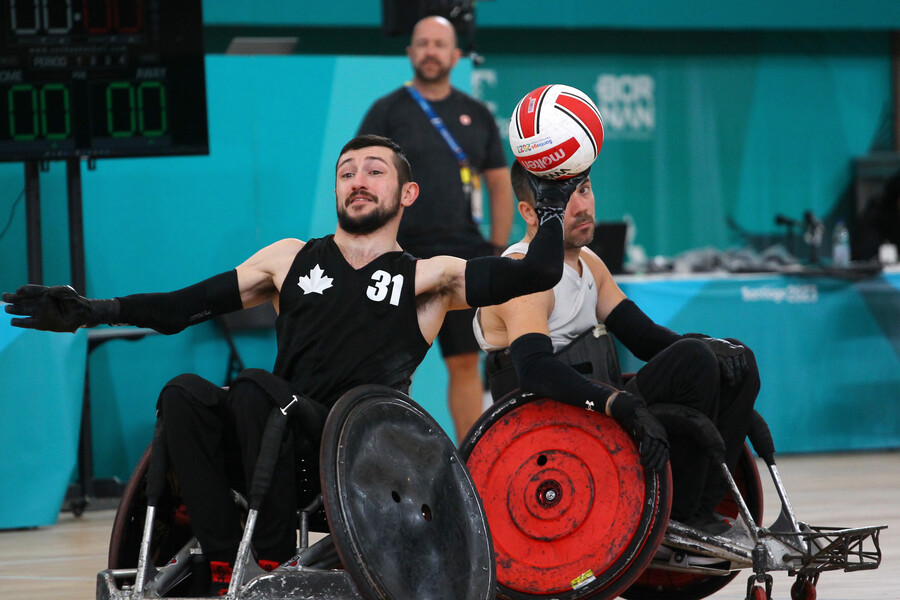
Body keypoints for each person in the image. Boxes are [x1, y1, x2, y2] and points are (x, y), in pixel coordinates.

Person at [4, 135, 581, 596]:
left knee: (257, 386)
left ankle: (275, 561)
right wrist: (91, 310)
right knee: (183, 392)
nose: (357, 180)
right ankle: (226, 567)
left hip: (353, 453)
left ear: (407, 194)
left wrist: (551, 211)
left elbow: (535, 274)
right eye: (347, 171)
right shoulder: (287, 260)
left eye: (375, 170)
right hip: (269, 433)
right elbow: (181, 308)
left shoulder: (429, 277)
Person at [474, 161, 761, 535]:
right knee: (695, 358)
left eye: (584, 189)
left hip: (596, 410)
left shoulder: (590, 264)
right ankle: (680, 516)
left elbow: (644, 337)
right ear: (529, 213)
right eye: (562, 199)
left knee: (734, 356)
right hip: (550, 424)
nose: (581, 206)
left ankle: (703, 510)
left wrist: (716, 347)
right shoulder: (520, 272)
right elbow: (535, 369)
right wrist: (616, 403)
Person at [357, 15, 513, 443]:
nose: (430, 51)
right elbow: (362, 180)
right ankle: (382, 458)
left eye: (439, 44)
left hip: (463, 258)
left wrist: (496, 247)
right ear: (410, 53)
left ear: (455, 55)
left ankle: (468, 461)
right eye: (421, 43)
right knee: (386, 366)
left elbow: (500, 183)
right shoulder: (386, 111)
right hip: (400, 257)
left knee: (465, 363)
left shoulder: (476, 114)